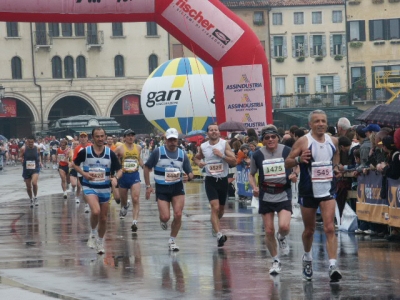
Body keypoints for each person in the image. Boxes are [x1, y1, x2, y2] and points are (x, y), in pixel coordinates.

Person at [285, 109, 342, 282]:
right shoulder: (303, 141)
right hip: (308, 190)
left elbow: (336, 155)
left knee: (330, 227)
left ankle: (332, 265)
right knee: (309, 230)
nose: (320, 124)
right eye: (316, 121)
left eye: (323, 121)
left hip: (327, 190)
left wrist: (336, 168)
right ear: (310, 124)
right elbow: (287, 161)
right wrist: (298, 160)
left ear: (327, 123)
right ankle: (307, 258)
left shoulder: (333, 140)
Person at [249, 125, 297, 275]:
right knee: (269, 230)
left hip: (283, 193)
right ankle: (276, 260)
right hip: (266, 194)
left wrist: (294, 174)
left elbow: (296, 166)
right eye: (267, 138)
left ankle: (282, 237)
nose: (270, 140)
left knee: (283, 226)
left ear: (278, 138)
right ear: (262, 140)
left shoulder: (286, 151)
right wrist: (254, 187)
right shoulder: (257, 155)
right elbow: (251, 174)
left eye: (273, 137)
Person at [73, 127, 122, 254]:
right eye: (97, 136)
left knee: (104, 218)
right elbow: (74, 164)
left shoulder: (110, 153)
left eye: (102, 136)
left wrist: (115, 178)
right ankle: (93, 233)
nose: (100, 139)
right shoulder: (86, 151)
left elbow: (120, 169)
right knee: (95, 211)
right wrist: (84, 174)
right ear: (92, 138)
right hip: (90, 186)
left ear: (105, 137)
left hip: (105, 188)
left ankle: (100, 242)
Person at [143, 128, 194, 251]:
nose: (172, 142)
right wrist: (148, 186)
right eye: (170, 139)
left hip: (177, 187)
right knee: (165, 217)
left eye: (174, 140)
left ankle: (172, 240)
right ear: (165, 140)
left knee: (178, 214)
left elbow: (190, 172)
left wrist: (188, 177)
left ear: (177, 140)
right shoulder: (158, 152)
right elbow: (146, 167)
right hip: (162, 188)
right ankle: (162, 220)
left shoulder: (182, 154)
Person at [193, 124, 237, 247]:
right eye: (211, 130)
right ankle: (219, 234)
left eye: (216, 130)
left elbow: (234, 161)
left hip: (223, 180)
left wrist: (221, 155)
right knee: (214, 207)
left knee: (221, 210)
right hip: (210, 180)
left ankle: (214, 224)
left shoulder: (224, 144)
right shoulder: (203, 146)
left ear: (219, 132)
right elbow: (196, 158)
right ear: (207, 133)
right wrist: (199, 163)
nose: (214, 132)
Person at [115, 129, 144, 232]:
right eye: (128, 136)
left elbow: (138, 159)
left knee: (135, 199)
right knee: (123, 201)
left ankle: (134, 222)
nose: (131, 137)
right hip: (123, 176)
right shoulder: (119, 149)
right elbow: (113, 159)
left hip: (135, 176)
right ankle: (125, 206)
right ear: (125, 138)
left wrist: (144, 166)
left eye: (132, 135)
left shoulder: (139, 148)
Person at [19, 136, 42, 207]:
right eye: (29, 142)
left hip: (35, 167)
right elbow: (20, 156)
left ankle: (35, 197)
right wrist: (21, 160)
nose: (31, 143)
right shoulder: (23, 149)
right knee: (28, 187)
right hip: (26, 169)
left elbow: (39, 155)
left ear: (34, 142)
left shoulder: (37, 148)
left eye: (32, 142)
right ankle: (31, 199)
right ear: (27, 142)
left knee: (34, 183)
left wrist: (40, 162)